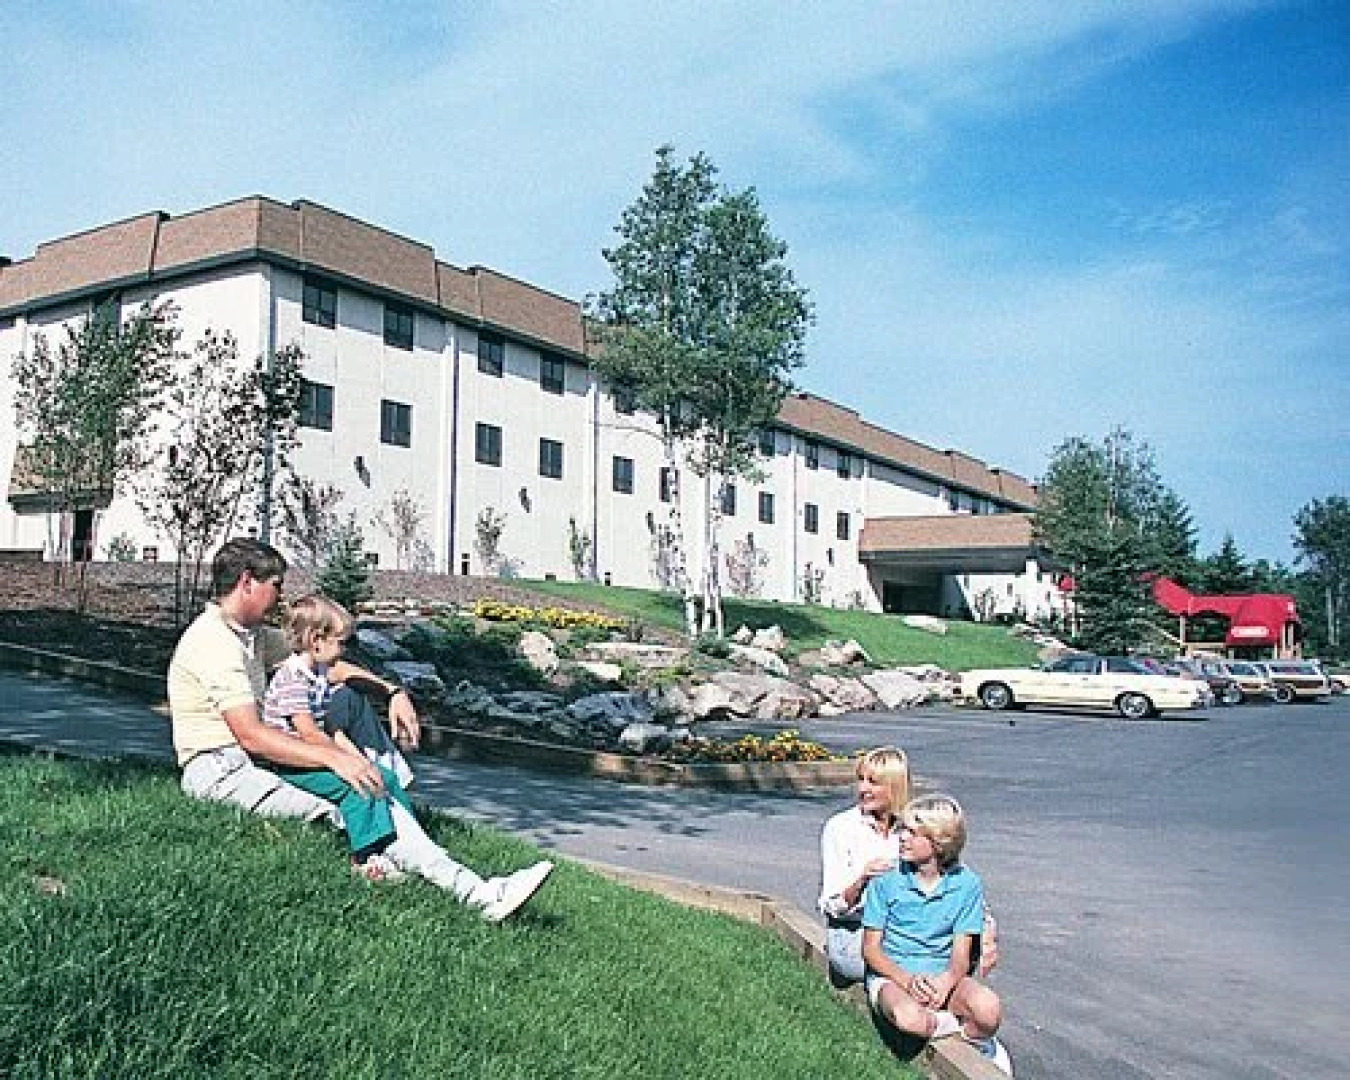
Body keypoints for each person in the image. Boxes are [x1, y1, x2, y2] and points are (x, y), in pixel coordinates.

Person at [168, 539, 552, 922]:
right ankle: (476, 893)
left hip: (252, 760)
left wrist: (392, 692)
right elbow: (250, 735)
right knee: (358, 793)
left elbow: (324, 665)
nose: (280, 596)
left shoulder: (247, 635)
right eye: (277, 584)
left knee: (350, 704)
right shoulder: (214, 642)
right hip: (221, 771)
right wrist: (338, 759)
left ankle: (399, 811)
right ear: (248, 581)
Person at [819, 748, 999, 984]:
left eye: (873, 783)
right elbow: (833, 906)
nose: (863, 789)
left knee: (958, 949)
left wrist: (987, 934)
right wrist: (862, 881)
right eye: (860, 780)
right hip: (861, 933)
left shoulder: (916, 824)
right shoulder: (841, 828)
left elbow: (957, 883)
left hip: (916, 935)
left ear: (894, 786)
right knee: (918, 965)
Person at [862, 794, 1011, 1075]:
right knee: (910, 1019)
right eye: (902, 829)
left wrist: (945, 982)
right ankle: (947, 1030)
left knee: (989, 1010)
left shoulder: (966, 885)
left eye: (913, 833)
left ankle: (954, 1035)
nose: (902, 838)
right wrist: (907, 981)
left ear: (939, 842)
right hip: (894, 976)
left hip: (942, 977)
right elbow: (871, 949)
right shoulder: (887, 880)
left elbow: (961, 953)